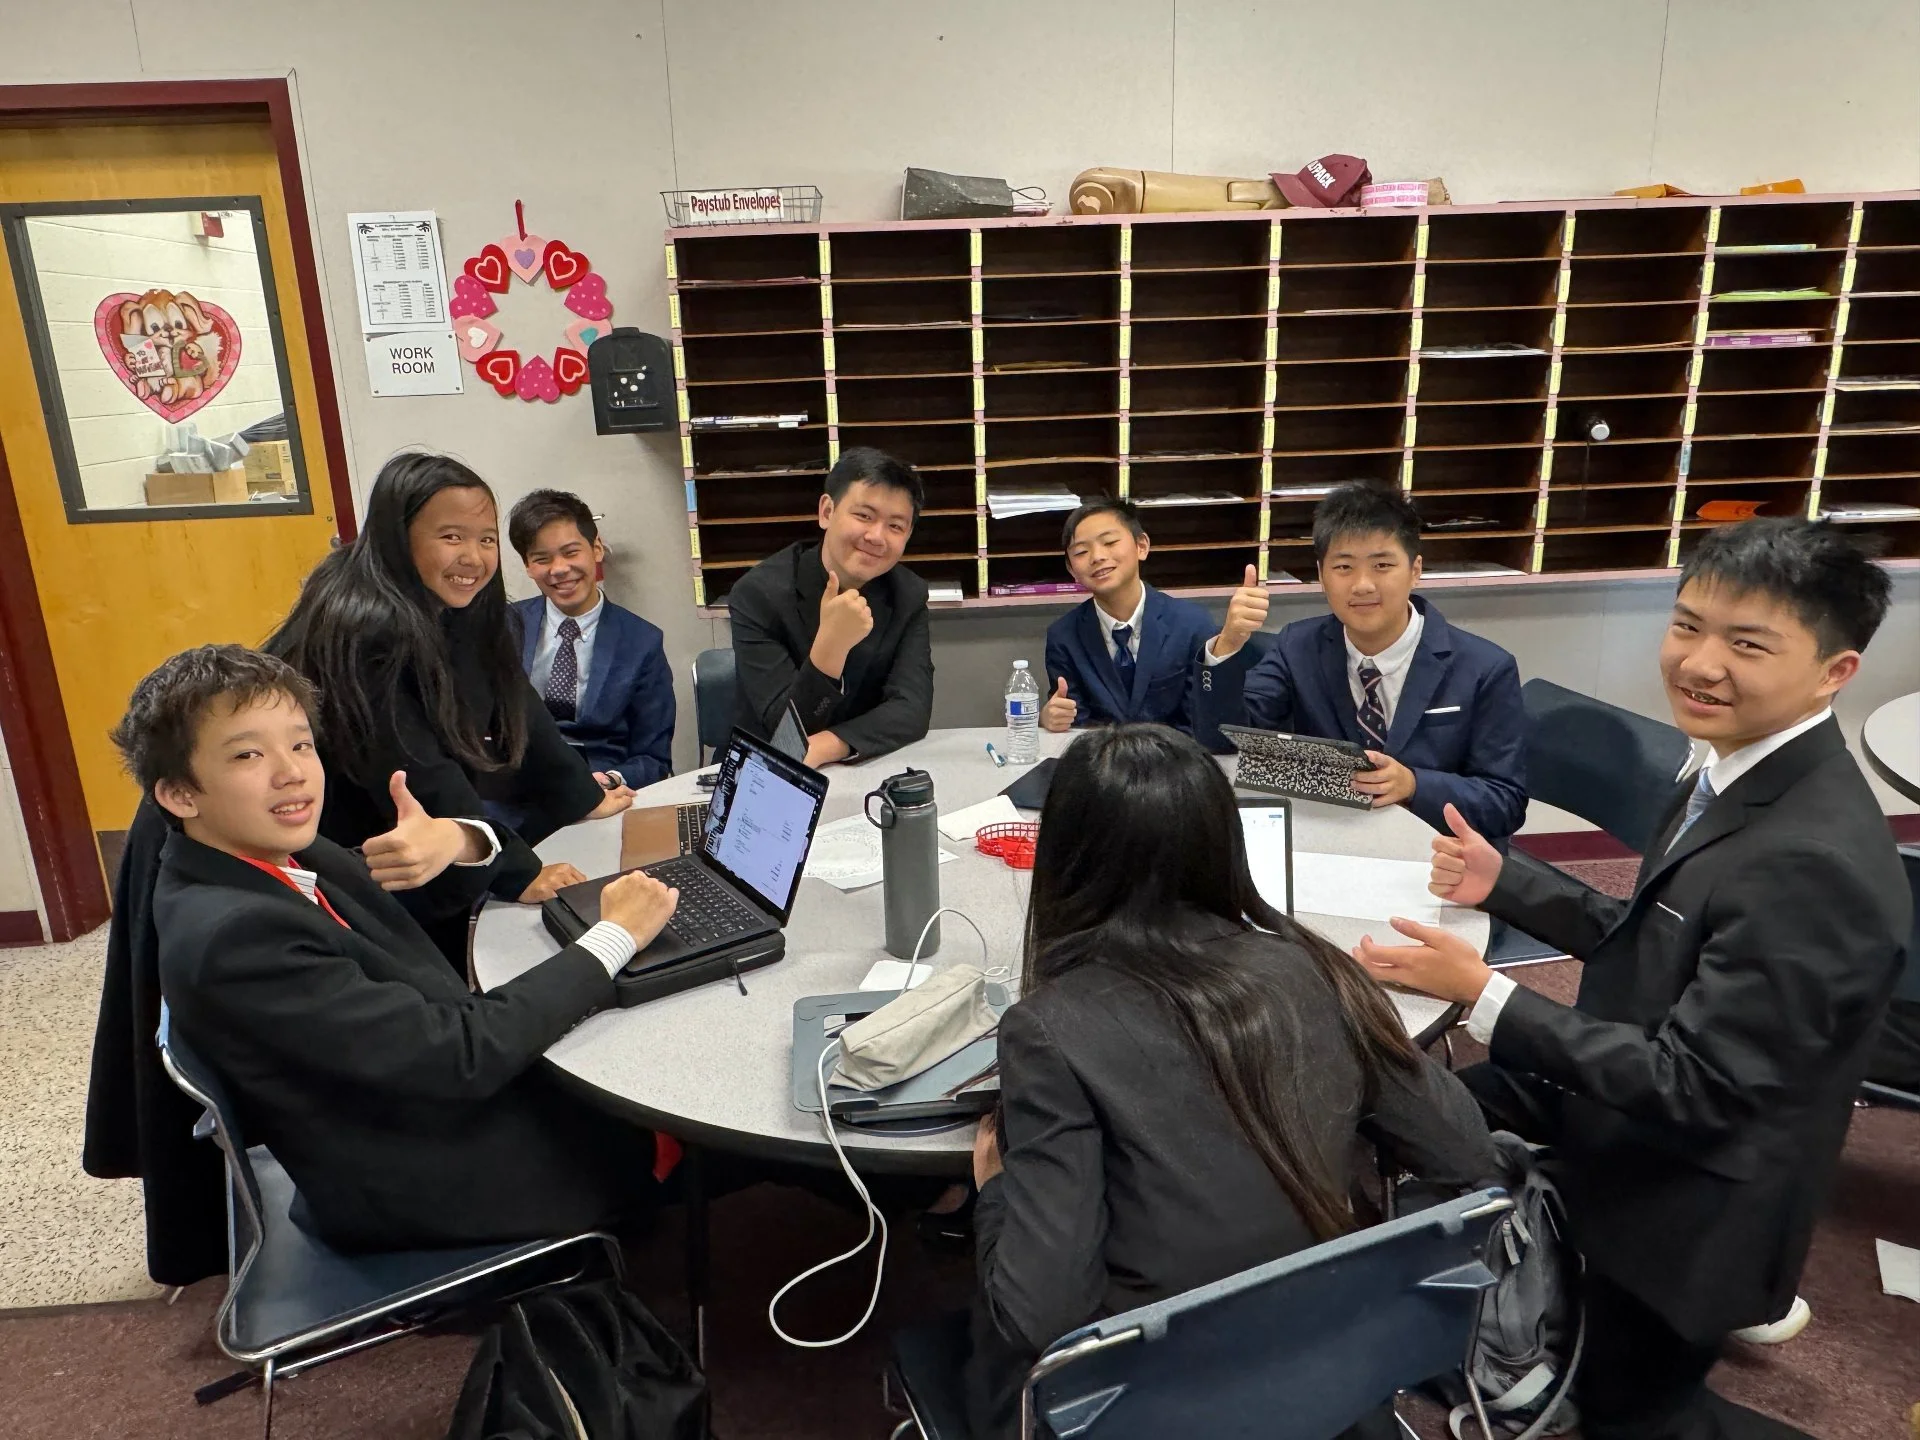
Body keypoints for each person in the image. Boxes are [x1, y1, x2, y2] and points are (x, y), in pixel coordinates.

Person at [1354, 518, 1911, 1440]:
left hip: (1687, 1201)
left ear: (1834, 672)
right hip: (1617, 1099)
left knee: (1636, 1408)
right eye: (1688, 625)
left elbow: (1701, 1089)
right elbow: (1657, 929)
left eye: (1747, 643)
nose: (1699, 663)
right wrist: (1510, 882)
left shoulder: (1814, 862)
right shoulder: (1734, 767)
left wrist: (1488, 995)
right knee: (1432, 1104)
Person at [966, 723, 1499, 1440]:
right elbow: (1464, 1151)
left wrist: (995, 1190)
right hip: (1335, 1364)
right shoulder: (1314, 968)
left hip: (1147, 1402)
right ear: (1221, 843)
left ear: (1066, 855)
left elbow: (1040, 1314)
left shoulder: (1048, 1029)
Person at [115, 644, 682, 1250]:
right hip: (424, 1179)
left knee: (638, 1051)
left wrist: (459, 838)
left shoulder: (267, 859)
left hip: (417, 1112)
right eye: (249, 754)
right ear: (178, 794)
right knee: (683, 1120)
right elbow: (461, 1057)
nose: (292, 772)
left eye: (301, 743)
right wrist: (613, 936)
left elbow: (374, 881)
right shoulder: (235, 936)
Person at [267, 453, 629, 965]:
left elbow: (512, 697)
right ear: (399, 534)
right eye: (451, 537)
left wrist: (579, 794)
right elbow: (416, 771)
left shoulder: (441, 595)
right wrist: (517, 873)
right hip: (328, 838)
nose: (475, 558)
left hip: (394, 823)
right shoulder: (363, 625)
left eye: (485, 539)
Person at [1195, 481, 1527, 841]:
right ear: (1322, 575)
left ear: (1415, 570)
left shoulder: (1485, 668)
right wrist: (1228, 645)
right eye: (1344, 567)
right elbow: (1225, 742)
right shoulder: (1298, 646)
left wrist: (1415, 785)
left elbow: (1505, 803)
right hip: (1330, 838)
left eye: (1382, 564)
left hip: (1438, 851)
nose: (1363, 585)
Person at [727, 447, 932, 767]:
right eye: (864, 516)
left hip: (862, 766)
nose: (876, 536)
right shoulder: (758, 595)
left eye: (895, 526)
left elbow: (912, 709)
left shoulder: (908, 595)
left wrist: (829, 745)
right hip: (764, 773)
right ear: (826, 511)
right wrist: (832, 645)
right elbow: (786, 735)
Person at [507, 489, 675, 789]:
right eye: (542, 558)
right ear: (527, 566)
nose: (559, 569)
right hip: (520, 789)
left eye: (571, 552)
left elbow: (654, 758)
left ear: (596, 548)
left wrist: (610, 781)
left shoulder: (641, 642)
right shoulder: (505, 626)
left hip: (602, 790)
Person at [1038, 498, 1218, 734]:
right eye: (1081, 551)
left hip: (1175, 763)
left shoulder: (1193, 625)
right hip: (1101, 765)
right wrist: (1052, 718)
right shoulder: (1063, 636)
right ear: (1072, 570)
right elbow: (1076, 728)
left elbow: (1199, 723)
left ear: (1141, 546)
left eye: (1110, 542)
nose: (1097, 556)